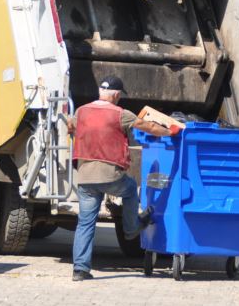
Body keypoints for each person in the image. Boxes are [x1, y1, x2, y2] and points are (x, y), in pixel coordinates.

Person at [68, 75, 175, 281]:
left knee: (85, 223)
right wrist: (170, 132)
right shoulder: (120, 113)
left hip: (85, 177)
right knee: (129, 188)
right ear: (116, 95)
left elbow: (71, 127)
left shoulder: (81, 111)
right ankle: (131, 229)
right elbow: (149, 127)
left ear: (100, 91)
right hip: (109, 174)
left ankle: (80, 270)